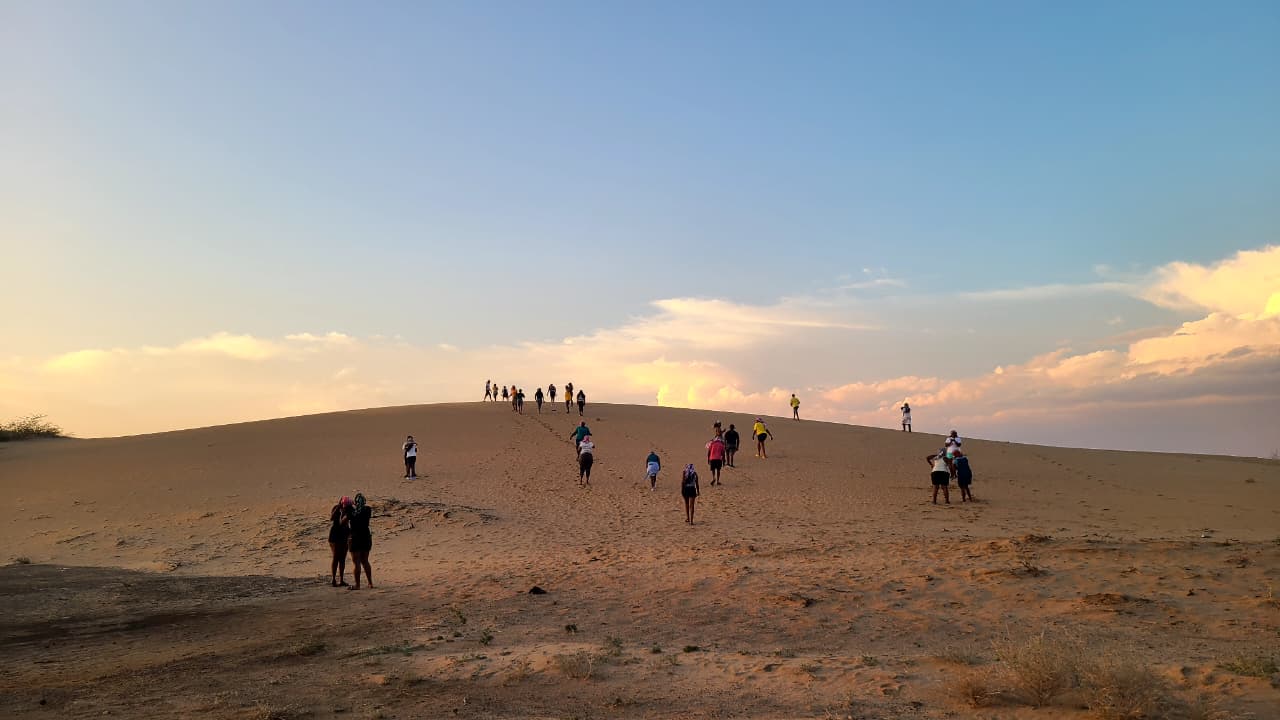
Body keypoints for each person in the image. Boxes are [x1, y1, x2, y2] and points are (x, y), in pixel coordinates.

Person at [348, 493, 373, 589]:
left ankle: (357, 585)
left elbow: (345, 520)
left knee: (356, 562)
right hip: (365, 536)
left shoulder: (352, 512)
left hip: (354, 537)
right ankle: (370, 583)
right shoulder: (367, 510)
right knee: (365, 561)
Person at [328, 496, 352, 587]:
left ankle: (341, 580)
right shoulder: (336, 508)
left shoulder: (350, 510)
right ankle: (334, 579)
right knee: (336, 557)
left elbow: (347, 521)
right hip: (335, 535)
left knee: (342, 558)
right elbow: (332, 518)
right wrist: (339, 508)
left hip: (344, 534)